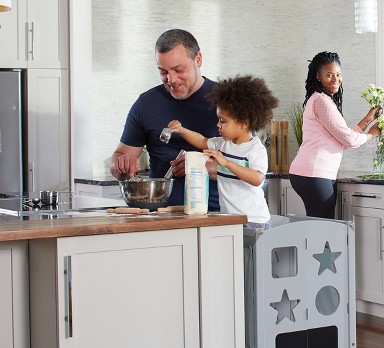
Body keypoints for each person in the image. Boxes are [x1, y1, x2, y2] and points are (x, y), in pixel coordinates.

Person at [110, 29, 220, 210]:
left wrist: (198, 166)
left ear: (198, 59)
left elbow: (252, 170)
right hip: (160, 217)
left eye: (179, 70)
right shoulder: (146, 104)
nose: (171, 80)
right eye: (163, 72)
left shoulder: (228, 101)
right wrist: (120, 166)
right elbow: (120, 157)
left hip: (218, 216)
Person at [167, 75, 278, 228]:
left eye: (223, 121)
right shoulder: (223, 143)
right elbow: (201, 141)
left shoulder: (255, 149)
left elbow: (257, 178)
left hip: (254, 220)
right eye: (218, 120)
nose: (218, 125)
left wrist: (226, 163)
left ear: (244, 123)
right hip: (231, 219)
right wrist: (181, 130)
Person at [289, 51, 381, 219]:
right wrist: (372, 134)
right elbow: (349, 140)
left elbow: (343, 139)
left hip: (310, 173)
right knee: (323, 229)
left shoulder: (320, 100)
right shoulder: (321, 101)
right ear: (318, 76)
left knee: (319, 228)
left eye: (338, 74)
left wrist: (368, 119)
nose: (335, 79)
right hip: (314, 174)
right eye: (329, 75)